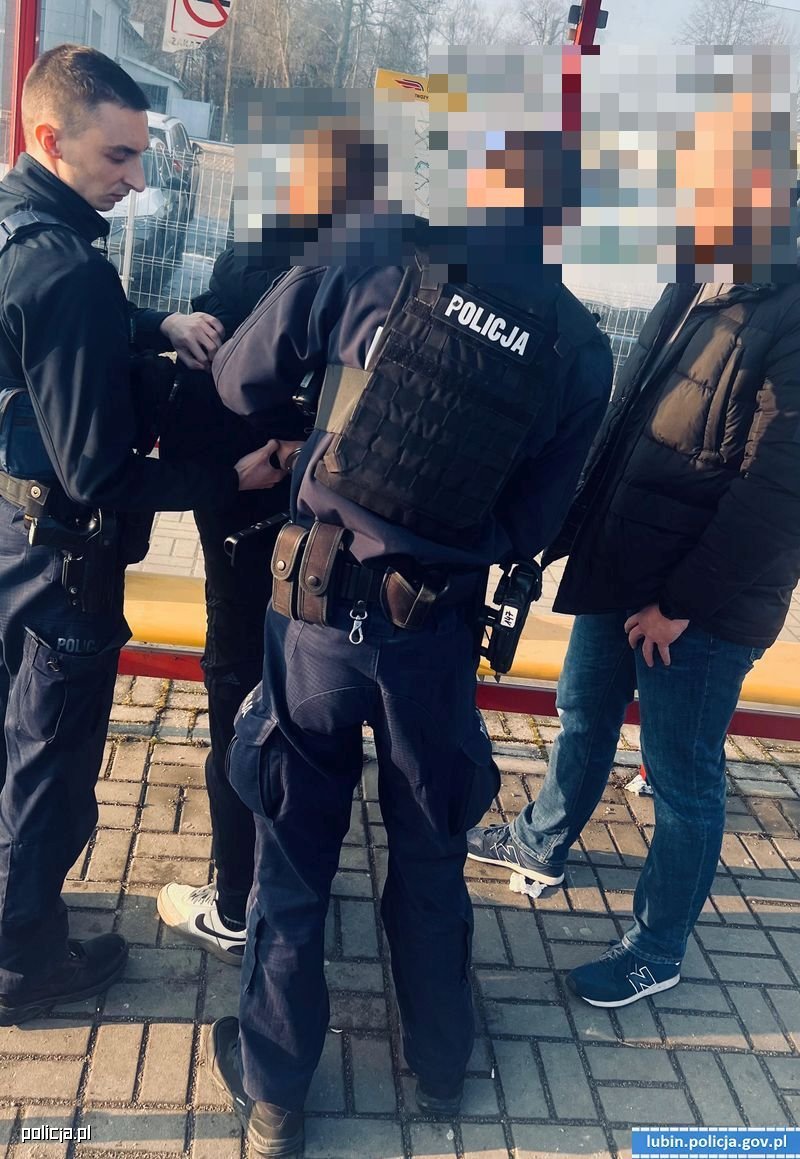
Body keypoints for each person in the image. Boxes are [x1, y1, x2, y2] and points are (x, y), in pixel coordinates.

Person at [202, 152, 613, 1150]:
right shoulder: (578, 346)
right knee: (429, 846)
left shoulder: (374, 258)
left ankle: (274, 1094)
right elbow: (536, 526)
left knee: (294, 852)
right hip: (432, 633)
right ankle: (436, 1061)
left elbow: (237, 378)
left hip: (313, 617)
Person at [0, 45, 282, 1026]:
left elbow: (48, 338)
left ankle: (16, 920)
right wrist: (224, 479)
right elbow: (100, 473)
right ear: (51, 137)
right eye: (117, 156)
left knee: (16, 741)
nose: (135, 180)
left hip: (13, 534)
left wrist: (155, 324)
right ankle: (23, 962)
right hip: (64, 561)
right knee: (50, 766)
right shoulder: (69, 268)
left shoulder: (21, 228)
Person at [466, 273, 800, 1007]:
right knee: (582, 713)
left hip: (701, 610)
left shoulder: (788, 310)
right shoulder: (694, 285)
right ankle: (539, 844)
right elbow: (626, 426)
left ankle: (657, 948)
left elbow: (777, 496)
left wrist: (680, 605)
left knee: (683, 779)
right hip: (625, 565)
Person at [156, 249, 301, 962]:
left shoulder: (230, 304)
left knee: (237, 712)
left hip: (241, 553)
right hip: (330, 565)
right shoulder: (371, 298)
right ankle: (291, 878)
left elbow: (178, 442)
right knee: (304, 714)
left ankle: (235, 903)